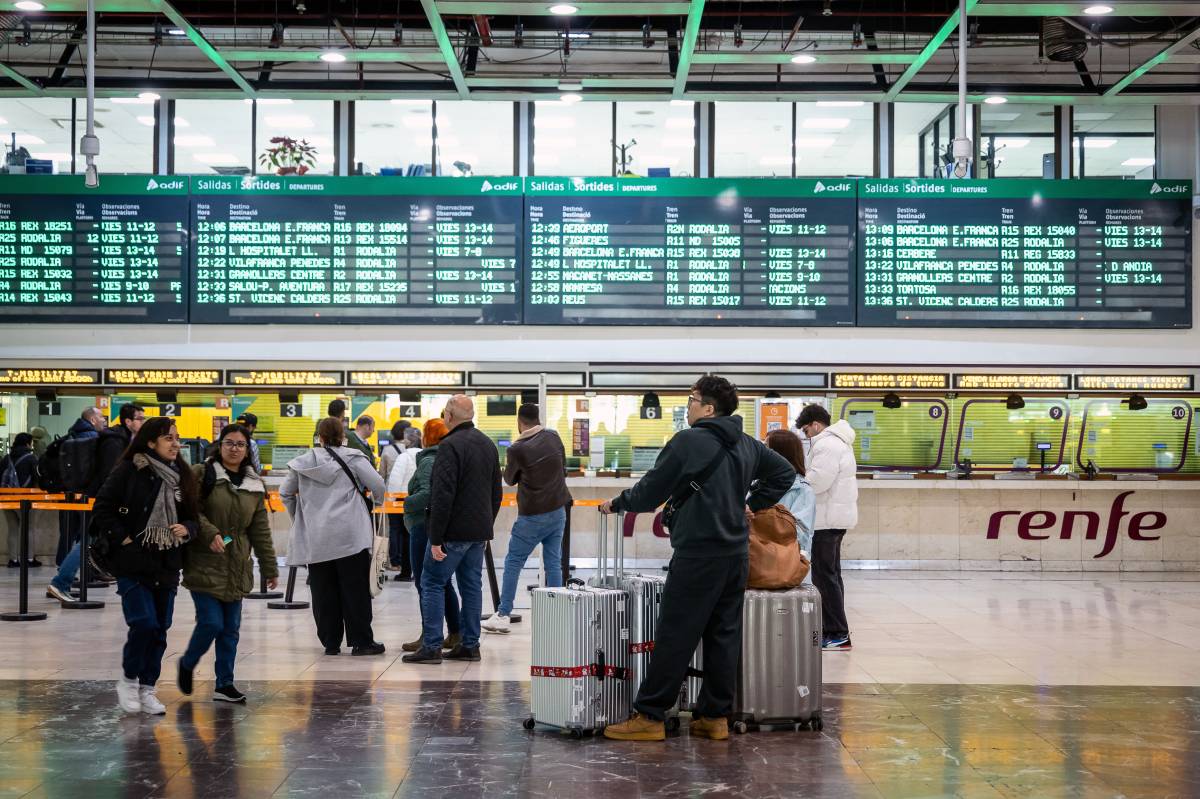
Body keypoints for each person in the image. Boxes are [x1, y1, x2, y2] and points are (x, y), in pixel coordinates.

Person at [600, 375, 794, 742]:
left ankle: (650, 716)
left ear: (708, 408)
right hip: (736, 554)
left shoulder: (688, 442)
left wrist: (618, 503)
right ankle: (713, 717)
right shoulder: (748, 444)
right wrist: (750, 504)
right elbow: (783, 472)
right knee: (724, 634)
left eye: (691, 400)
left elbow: (649, 492)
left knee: (676, 633)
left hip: (698, 554)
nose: (687, 406)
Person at [90, 416, 199, 715]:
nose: (176, 444)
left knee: (161, 629)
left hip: (166, 563)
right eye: (169, 438)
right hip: (132, 563)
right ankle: (127, 679)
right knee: (144, 623)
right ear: (151, 442)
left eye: (178, 438)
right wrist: (123, 539)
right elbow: (102, 508)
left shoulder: (182, 476)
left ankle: (147, 688)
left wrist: (188, 528)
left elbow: (194, 516)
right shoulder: (129, 469)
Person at [177, 423, 279, 704]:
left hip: (237, 564)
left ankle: (224, 683)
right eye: (229, 443)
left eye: (240, 444)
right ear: (219, 446)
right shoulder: (202, 474)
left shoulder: (254, 484)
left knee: (230, 629)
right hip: (204, 560)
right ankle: (187, 663)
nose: (234, 449)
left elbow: (259, 530)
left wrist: (269, 568)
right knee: (211, 623)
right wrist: (210, 533)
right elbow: (190, 511)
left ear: (247, 450)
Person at [402, 396, 501, 665]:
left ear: (448, 416)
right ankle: (470, 645)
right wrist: (486, 524)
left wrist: (436, 537)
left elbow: (442, 495)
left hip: (453, 532)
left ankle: (432, 646)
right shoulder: (487, 444)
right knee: (471, 587)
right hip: (478, 532)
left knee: (432, 582)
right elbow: (496, 492)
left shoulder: (449, 446)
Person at [281, 417, 387, 657]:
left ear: (319, 437)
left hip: (318, 538)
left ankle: (330, 642)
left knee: (323, 590)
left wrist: (301, 516)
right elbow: (378, 484)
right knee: (355, 590)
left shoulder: (302, 463)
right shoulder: (354, 458)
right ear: (343, 436)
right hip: (351, 535)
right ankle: (361, 641)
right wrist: (375, 502)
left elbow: (286, 493)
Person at [483, 403, 571, 635]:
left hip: (532, 515)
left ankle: (503, 615)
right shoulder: (553, 437)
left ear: (519, 421)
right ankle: (557, 612)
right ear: (538, 418)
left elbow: (509, 479)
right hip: (558, 510)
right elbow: (563, 469)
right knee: (553, 562)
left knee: (513, 562)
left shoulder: (517, 449)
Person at [47, 403, 145, 602]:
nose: (142, 422)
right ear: (128, 421)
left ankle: (84, 575)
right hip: (100, 500)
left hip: (99, 499)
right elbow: (109, 475)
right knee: (87, 540)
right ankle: (60, 583)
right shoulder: (115, 442)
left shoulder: (121, 439)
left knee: (90, 540)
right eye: (140, 418)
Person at [797, 403, 859, 652]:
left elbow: (818, 481)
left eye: (806, 430)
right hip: (834, 517)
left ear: (815, 424)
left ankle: (837, 632)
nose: (806, 436)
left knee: (825, 577)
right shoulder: (838, 441)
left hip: (826, 519)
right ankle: (835, 630)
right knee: (831, 575)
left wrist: (799, 481)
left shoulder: (826, 444)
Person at [398, 418, 461, 653]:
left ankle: (429, 634)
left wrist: (405, 502)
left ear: (428, 437)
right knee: (443, 583)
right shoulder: (445, 458)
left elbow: (427, 495)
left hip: (423, 527)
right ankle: (455, 633)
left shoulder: (428, 461)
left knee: (425, 583)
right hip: (436, 526)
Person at [47, 407, 105, 591]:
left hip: (69, 494)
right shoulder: (91, 437)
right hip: (85, 495)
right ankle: (75, 575)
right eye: (102, 417)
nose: (104, 420)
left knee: (69, 532)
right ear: (93, 419)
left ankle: (64, 569)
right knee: (87, 535)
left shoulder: (71, 435)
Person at [765, 429, 817, 579]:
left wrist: (760, 523)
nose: (761, 453)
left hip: (788, 567)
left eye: (767, 448)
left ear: (781, 455)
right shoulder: (758, 485)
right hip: (759, 562)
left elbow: (798, 533)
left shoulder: (802, 490)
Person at [381, 421, 418, 579]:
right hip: (414, 497)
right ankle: (410, 564)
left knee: (395, 530)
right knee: (410, 532)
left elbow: (384, 475)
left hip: (395, 496)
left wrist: (388, 496)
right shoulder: (420, 452)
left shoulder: (388, 450)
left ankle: (395, 561)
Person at [2, 433, 41, 568]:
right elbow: (37, 479)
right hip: (25, 499)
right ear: (27, 444)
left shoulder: (7, 458)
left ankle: (13, 560)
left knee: (12, 529)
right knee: (29, 528)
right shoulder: (31, 458)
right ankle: (29, 559)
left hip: (7, 498)